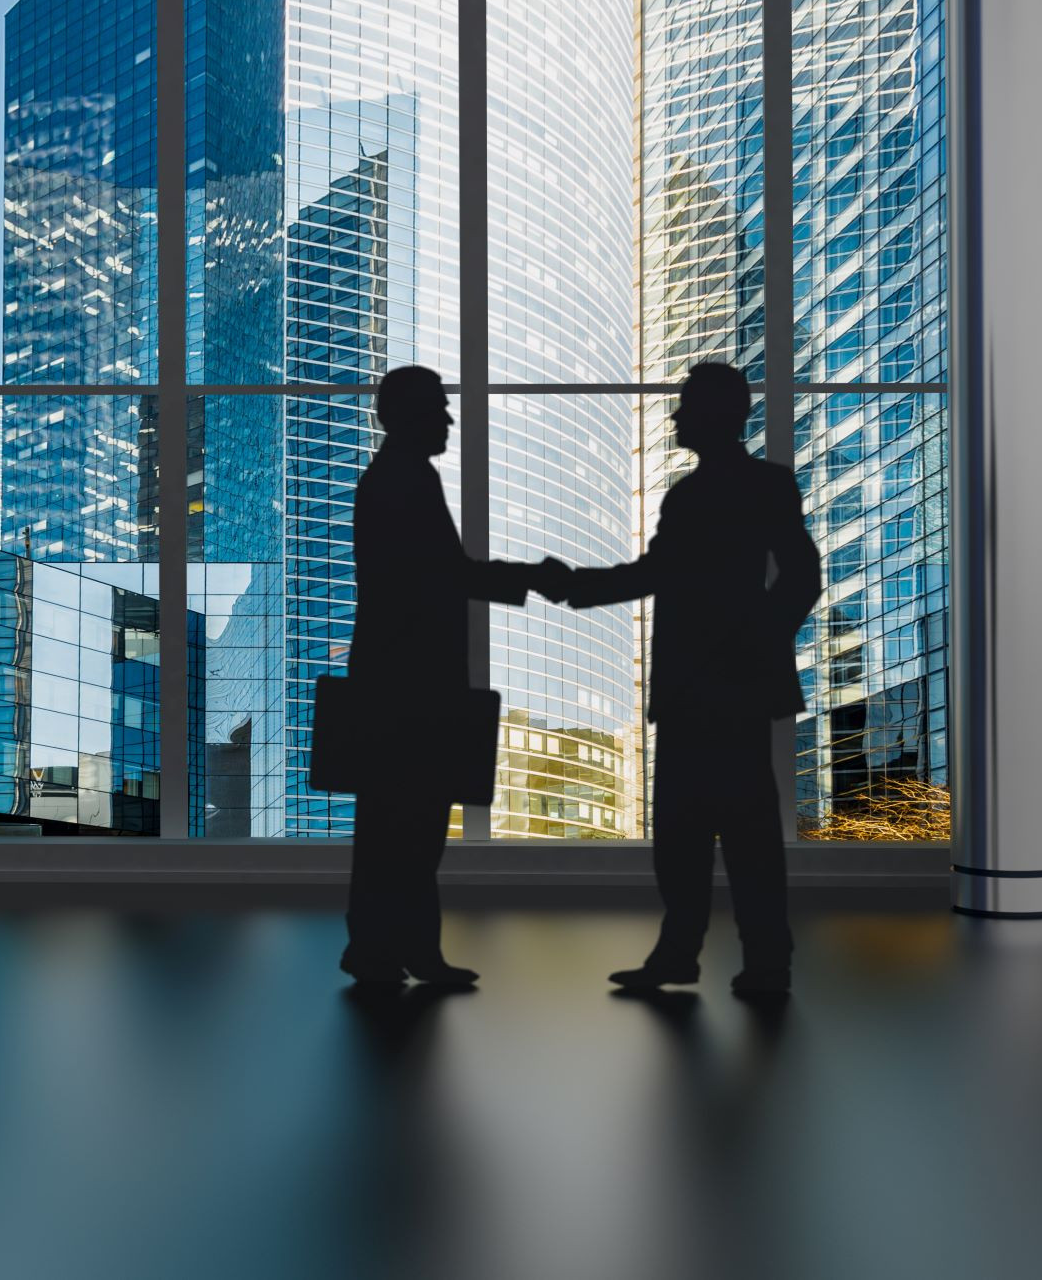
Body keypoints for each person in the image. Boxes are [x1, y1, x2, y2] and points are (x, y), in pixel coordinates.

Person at [541, 362, 822, 1001]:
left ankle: (757, 961)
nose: (674, 417)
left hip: (728, 687)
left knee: (738, 832)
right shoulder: (688, 496)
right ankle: (696, 954)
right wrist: (575, 586)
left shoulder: (758, 487)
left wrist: (756, 638)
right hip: (700, 689)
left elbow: (801, 575)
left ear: (717, 414)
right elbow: (657, 573)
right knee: (684, 833)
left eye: (685, 406)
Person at [341, 364, 540, 992]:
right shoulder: (403, 480)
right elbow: (443, 575)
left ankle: (384, 948)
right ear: (409, 415)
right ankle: (396, 951)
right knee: (411, 823)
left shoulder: (396, 476)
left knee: (397, 823)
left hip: (395, 680)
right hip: (409, 686)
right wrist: (532, 577)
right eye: (440, 408)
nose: (450, 419)